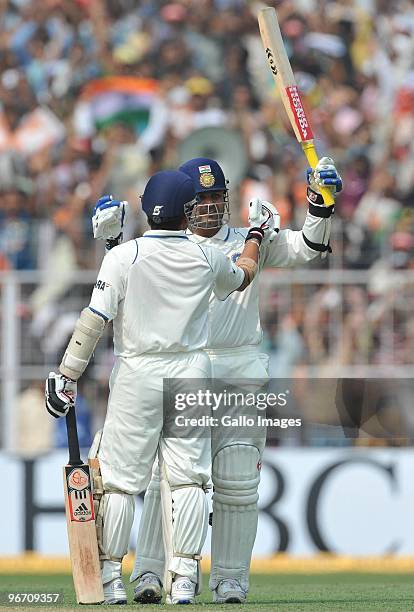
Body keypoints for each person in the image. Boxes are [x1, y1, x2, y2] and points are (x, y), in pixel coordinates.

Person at [92, 156, 342, 604]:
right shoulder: (163, 245)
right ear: (181, 203)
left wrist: (319, 204)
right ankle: (150, 573)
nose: (208, 206)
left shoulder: (252, 238)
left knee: (238, 479)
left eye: (215, 197)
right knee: (162, 478)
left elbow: (308, 247)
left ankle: (230, 580)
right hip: (181, 369)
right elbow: (120, 279)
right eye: (200, 198)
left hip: (238, 369)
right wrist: (111, 239)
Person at [45, 169, 274, 605]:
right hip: (190, 372)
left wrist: (66, 374)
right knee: (189, 481)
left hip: (137, 374)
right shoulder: (205, 257)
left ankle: (111, 578)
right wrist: (257, 235)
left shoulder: (124, 256)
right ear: (186, 211)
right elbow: (243, 275)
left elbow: (95, 320)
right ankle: (184, 579)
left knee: (119, 483)